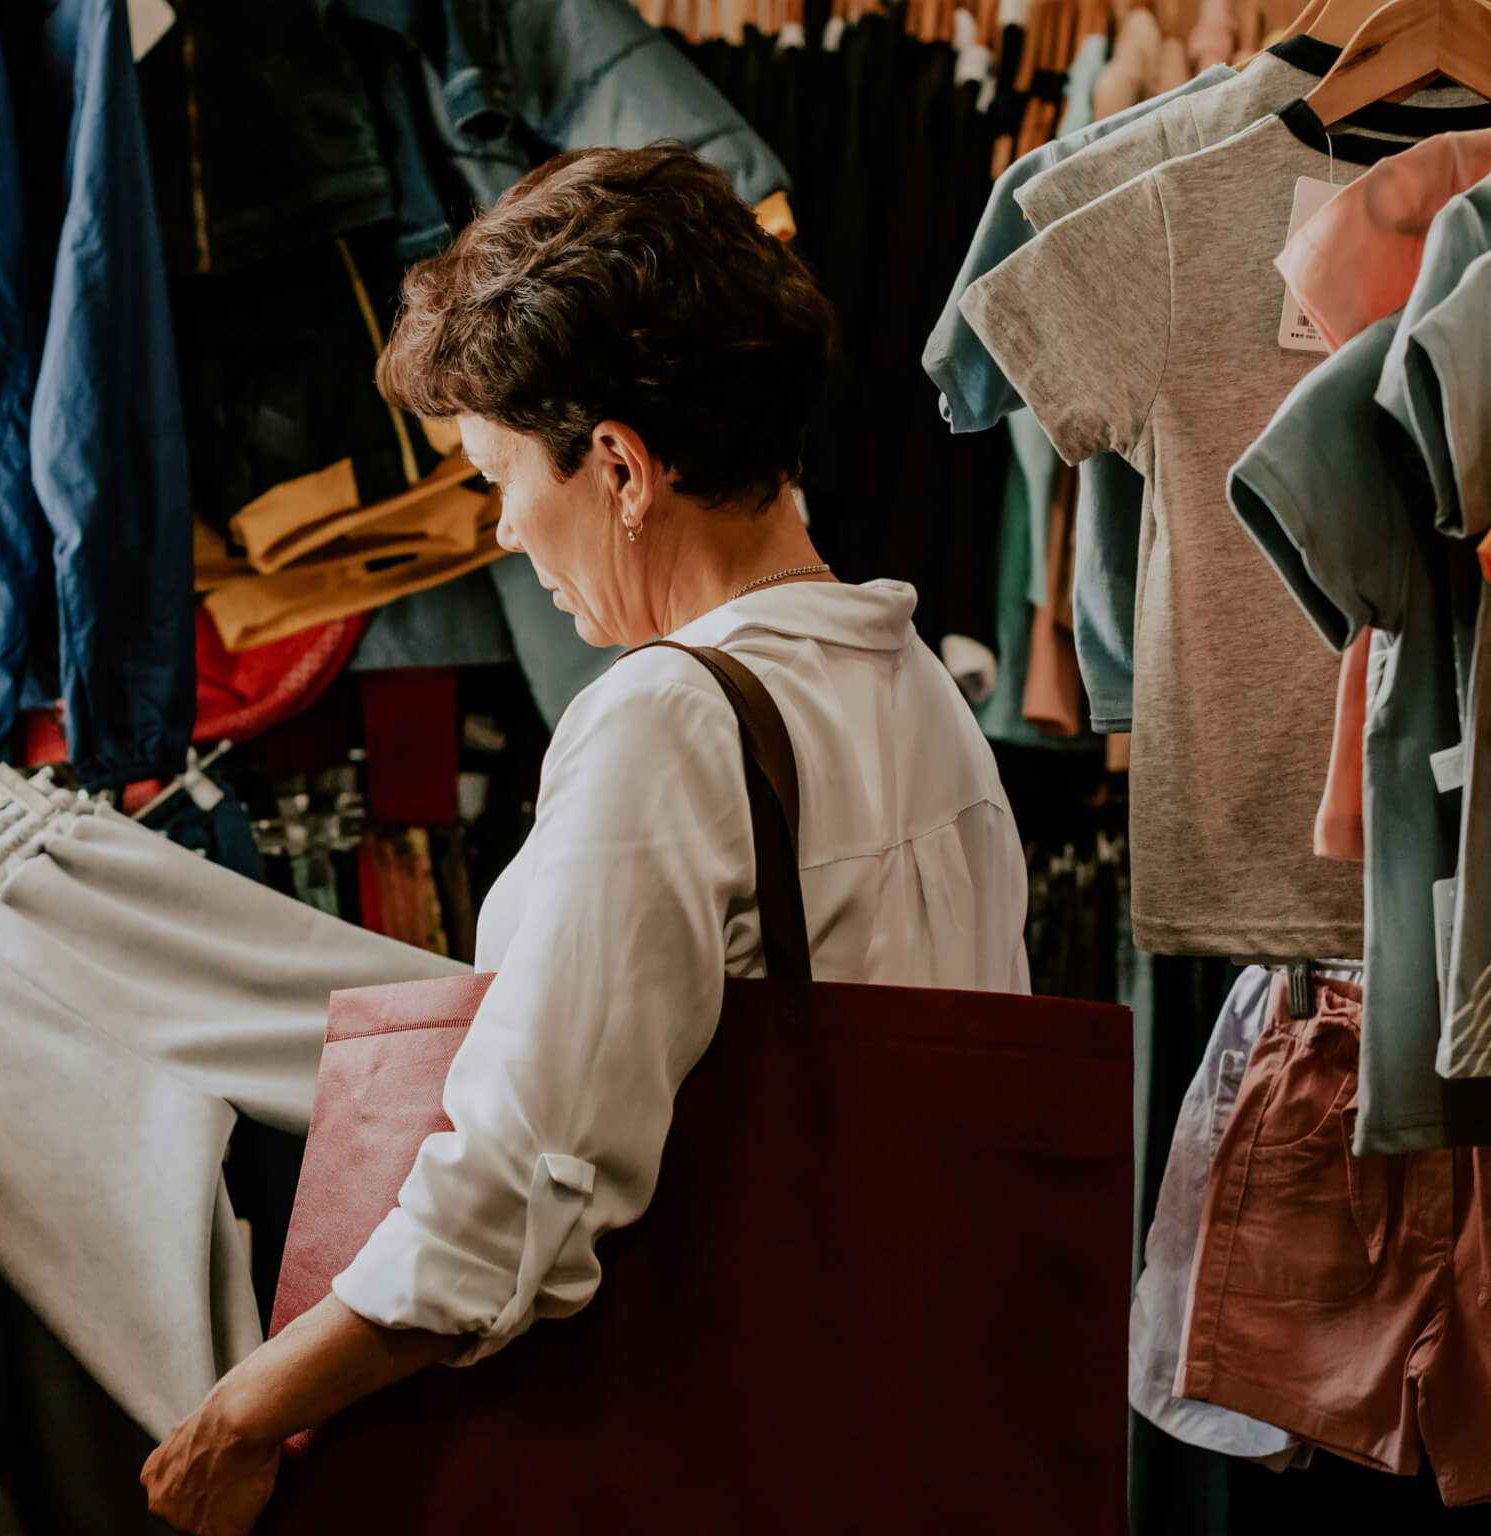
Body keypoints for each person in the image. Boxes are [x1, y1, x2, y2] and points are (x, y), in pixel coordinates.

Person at [142, 143, 1030, 1534]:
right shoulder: (920, 690)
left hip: (716, 1456)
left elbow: (521, 1187)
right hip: (908, 1433)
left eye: (499, 475)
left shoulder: (666, 723)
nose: (503, 530)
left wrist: (244, 1410)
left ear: (618, 465)